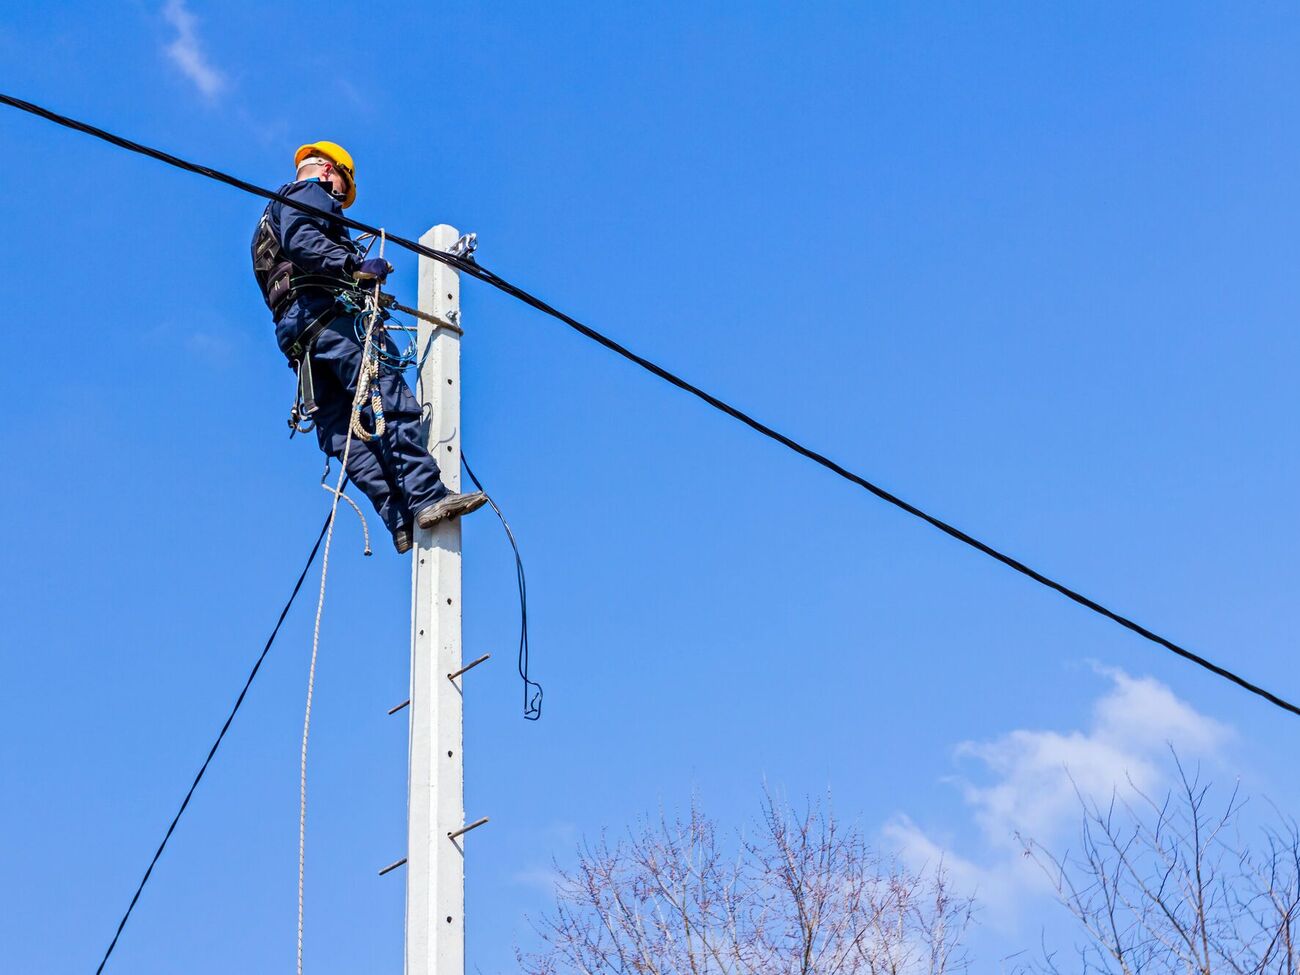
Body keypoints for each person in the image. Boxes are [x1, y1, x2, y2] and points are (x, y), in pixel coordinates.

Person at [251, 141, 485, 553]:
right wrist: (352, 267)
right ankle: (427, 497)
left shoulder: (265, 226)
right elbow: (305, 239)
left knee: (344, 435)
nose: (339, 198)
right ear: (327, 171)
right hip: (332, 322)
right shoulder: (308, 194)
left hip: (299, 340)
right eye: (341, 187)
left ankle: (399, 518)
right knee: (387, 400)